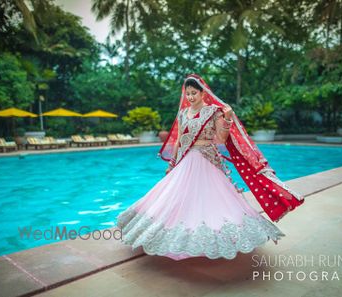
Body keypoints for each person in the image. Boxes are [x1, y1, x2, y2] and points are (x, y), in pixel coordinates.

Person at [116, 73, 304, 260]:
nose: (190, 97)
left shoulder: (213, 111)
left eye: (193, 93)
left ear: (202, 93)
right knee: (178, 198)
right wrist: (172, 163)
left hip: (207, 160)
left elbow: (221, 139)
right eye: (187, 93)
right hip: (186, 161)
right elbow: (179, 141)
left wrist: (228, 118)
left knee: (213, 200)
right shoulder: (183, 113)